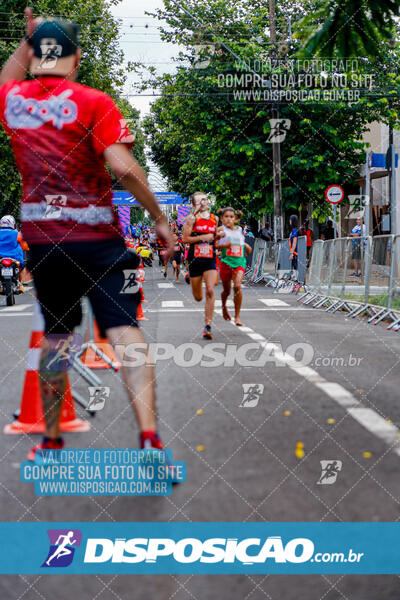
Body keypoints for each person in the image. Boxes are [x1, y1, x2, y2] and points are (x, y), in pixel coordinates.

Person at [0, 11, 174, 460]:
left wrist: (28, 37)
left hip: (44, 240)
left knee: (56, 338)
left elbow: (8, 74)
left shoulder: (13, 101)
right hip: (98, 239)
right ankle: (150, 439)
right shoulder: (95, 102)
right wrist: (157, 215)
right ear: (76, 58)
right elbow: (122, 167)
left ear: (35, 55)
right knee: (124, 330)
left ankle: (53, 441)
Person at [182, 191, 219, 339]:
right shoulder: (192, 219)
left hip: (210, 257)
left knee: (210, 290)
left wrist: (220, 239)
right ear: (194, 205)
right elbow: (185, 239)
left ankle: (208, 325)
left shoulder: (214, 218)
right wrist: (203, 237)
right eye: (199, 201)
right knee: (198, 297)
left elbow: (215, 238)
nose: (203, 203)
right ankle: (194, 284)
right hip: (195, 259)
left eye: (204, 200)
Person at [217, 207, 252, 326]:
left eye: (231, 217)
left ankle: (237, 316)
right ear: (222, 219)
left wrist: (247, 248)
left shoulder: (239, 230)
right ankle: (223, 307)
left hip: (239, 263)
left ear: (235, 219)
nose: (228, 219)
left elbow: (245, 247)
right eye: (226, 216)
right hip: (226, 263)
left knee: (237, 286)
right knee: (226, 291)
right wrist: (221, 243)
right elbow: (214, 245)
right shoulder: (221, 230)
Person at [0, 215, 28, 292]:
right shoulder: (17, 234)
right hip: (15, 258)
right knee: (23, 267)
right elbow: (25, 246)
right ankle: (20, 284)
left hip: (0, 258)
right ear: (13, 224)